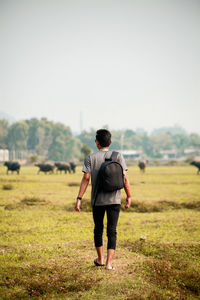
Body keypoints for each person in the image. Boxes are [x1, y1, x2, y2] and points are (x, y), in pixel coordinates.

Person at [75, 129, 132, 270]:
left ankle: (100, 259)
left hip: (97, 201)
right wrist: (129, 196)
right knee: (112, 230)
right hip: (115, 200)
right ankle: (109, 264)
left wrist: (79, 198)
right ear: (110, 142)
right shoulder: (118, 156)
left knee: (98, 229)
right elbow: (125, 178)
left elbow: (86, 178)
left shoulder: (90, 158)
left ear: (97, 143)